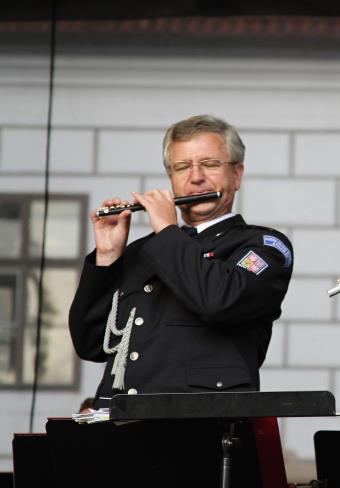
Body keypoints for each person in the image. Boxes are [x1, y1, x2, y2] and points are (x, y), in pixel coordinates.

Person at [69, 115, 293, 407]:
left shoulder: (262, 247)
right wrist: (108, 257)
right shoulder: (143, 251)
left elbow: (218, 302)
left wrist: (166, 230)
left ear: (237, 175)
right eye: (183, 167)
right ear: (171, 178)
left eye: (210, 164)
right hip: (124, 423)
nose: (196, 177)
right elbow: (90, 343)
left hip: (202, 425)